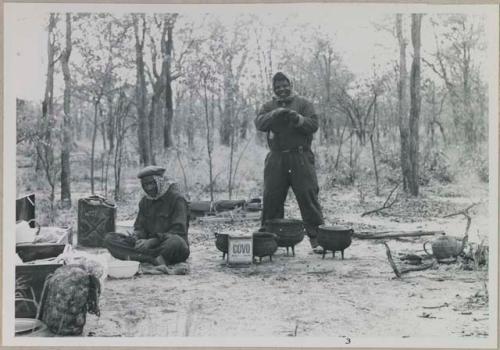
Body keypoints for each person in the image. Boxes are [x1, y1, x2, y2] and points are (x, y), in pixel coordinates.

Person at [255, 72, 324, 253]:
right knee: (272, 198)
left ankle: (317, 239)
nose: (282, 89)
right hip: (276, 158)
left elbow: (314, 124)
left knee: (308, 196)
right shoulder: (268, 106)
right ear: (274, 89)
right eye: (278, 87)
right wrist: (274, 115)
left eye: (285, 85)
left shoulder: (303, 104)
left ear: (290, 85)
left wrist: (298, 119)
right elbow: (259, 123)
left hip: (300, 157)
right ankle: (269, 239)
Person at [104, 165, 190, 266]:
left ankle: (140, 257)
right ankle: (152, 259)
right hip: (148, 247)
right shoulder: (144, 202)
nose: (148, 188)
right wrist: (136, 236)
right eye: (145, 185)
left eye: (151, 183)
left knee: (176, 242)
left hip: (167, 245)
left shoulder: (177, 199)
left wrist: (152, 241)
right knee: (109, 238)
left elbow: (178, 231)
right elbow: (140, 227)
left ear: (160, 182)